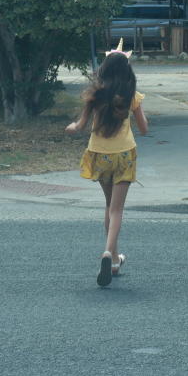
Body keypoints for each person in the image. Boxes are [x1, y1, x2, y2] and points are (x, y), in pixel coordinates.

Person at [66, 40, 148, 287]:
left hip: (99, 154)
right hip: (124, 154)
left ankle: (113, 260)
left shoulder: (95, 96)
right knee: (117, 210)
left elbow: (79, 126)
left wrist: (70, 127)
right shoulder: (132, 96)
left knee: (108, 206)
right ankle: (108, 252)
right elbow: (144, 129)